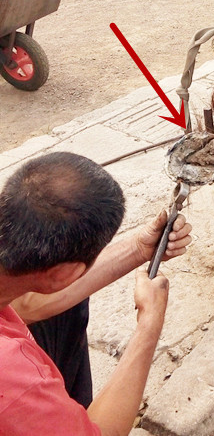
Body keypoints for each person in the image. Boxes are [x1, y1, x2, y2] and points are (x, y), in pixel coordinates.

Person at [0, 151, 192, 436]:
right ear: (64, 274)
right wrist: (149, 323)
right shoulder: (16, 380)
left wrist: (138, 249)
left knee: (64, 311)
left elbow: (24, 306)